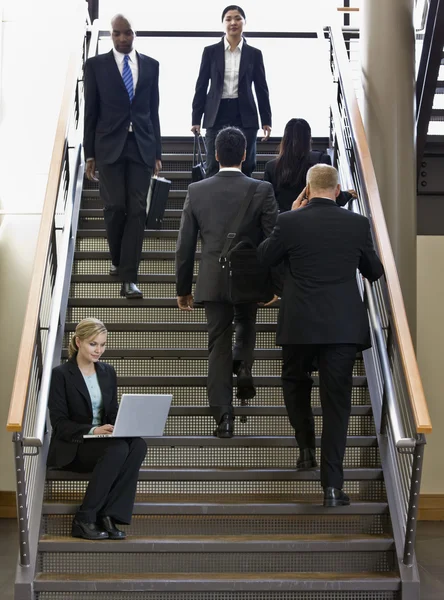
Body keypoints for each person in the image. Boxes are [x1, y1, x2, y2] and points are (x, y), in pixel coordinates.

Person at [258, 164, 384, 507]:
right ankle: (332, 487)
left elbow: (265, 257)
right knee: (337, 403)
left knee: (295, 384)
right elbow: (374, 271)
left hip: (299, 323)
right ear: (338, 188)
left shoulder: (289, 221)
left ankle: (304, 449)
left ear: (307, 189)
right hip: (343, 326)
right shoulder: (357, 224)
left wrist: (290, 213)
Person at [175, 127, 277, 437]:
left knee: (218, 344)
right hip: (249, 274)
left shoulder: (197, 191)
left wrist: (183, 289)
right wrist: (272, 284)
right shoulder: (263, 190)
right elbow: (274, 239)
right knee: (246, 322)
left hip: (213, 278)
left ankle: (224, 418)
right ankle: (244, 365)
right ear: (245, 155)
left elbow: (185, 244)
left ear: (215, 155)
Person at [83, 14, 162, 299]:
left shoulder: (151, 66)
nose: (122, 39)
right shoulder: (95, 66)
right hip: (108, 147)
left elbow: (153, 111)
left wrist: (157, 152)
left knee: (138, 210)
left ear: (134, 33)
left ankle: (129, 278)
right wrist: (89, 153)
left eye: (127, 33)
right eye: (117, 34)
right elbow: (91, 111)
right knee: (115, 207)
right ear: (111, 34)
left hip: (141, 145)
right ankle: (117, 259)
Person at [47, 318, 147, 540]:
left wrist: (126, 423)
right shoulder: (61, 375)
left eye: (102, 344)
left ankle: (109, 515)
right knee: (118, 449)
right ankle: (84, 518)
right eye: (93, 344)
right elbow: (60, 424)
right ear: (78, 341)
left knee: (138, 445)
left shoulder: (107, 372)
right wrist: (94, 430)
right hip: (73, 447)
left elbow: (111, 412)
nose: (99, 350)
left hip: (103, 443)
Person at [191, 5, 272, 178]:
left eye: (237, 18)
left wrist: (266, 119)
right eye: (228, 19)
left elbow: (261, 88)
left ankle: (244, 204)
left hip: (244, 113)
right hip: (217, 112)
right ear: (223, 23)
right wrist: (196, 118)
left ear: (244, 22)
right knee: (213, 164)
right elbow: (201, 85)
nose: (233, 22)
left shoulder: (254, 54)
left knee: (247, 164)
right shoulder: (210, 52)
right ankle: (213, 204)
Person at [264, 118, 353, 213]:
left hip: (286, 222)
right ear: (309, 138)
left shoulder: (271, 167)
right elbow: (334, 197)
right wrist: (348, 195)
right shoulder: (321, 160)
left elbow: (268, 203)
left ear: (285, 139)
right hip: (316, 220)